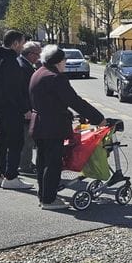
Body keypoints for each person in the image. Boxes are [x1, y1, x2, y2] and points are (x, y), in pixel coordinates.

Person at [30, 45, 105, 210]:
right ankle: (49, 200)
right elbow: (75, 101)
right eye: (64, 60)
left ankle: (44, 196)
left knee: (42, 161)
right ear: (58, 61)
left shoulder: (38, 73)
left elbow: (52, 101)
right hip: (52, 126)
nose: (65, 63)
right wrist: (98, 118)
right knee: (53, 163)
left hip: (39, 124)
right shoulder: (56, 78)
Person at [0, 30, 32, 190]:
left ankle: (0, 174)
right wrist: (25, 109)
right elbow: (15, 90)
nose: (23, 46)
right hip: (11, 109)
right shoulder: (12, 61)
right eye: (22, 43)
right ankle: (11, 176)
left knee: (2, 140)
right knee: (15, 142)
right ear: (15, 44)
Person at [17, 41, 42, 175]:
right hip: (25, 110)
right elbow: (20, 91)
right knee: (26, 139)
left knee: (27, 138)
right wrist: (26, 109)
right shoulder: (23, 66)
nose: (39, 57)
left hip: (27, 108)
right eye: (38, 54)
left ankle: (25, 163)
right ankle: (24, 166)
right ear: (31, 54)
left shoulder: (25, 64)